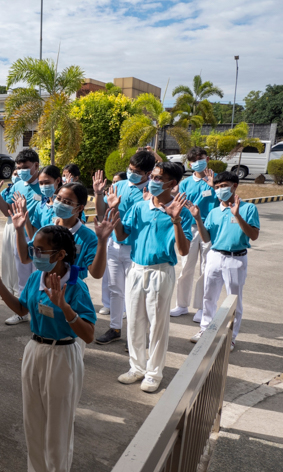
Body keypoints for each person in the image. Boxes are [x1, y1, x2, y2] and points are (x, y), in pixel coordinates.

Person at [0, 226, 95, 472]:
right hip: (35, 349)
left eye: (41, 250)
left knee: (58, 424)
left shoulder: (76, 286)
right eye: (34, 250)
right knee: (33, 419)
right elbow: (21, 309)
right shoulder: (35, 279)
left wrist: (65, 307)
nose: (36, 255)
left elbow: (88, 334)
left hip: (63, 354)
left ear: (61, 254)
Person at [111, 162, 192, 392]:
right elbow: (122, 234)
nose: (153, 181)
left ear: (172, 184)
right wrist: (115, 211)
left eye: (159, 178)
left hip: (160, 271)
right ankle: (137, 367)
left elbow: (183, 250)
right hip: (136, 269)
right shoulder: (139, 207)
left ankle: (154, 373)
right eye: (153, 177)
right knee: (135, 322)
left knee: (157, 325)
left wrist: (175, 219)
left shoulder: (181, 211)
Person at [92, 150, 157, 346]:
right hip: (113, 244)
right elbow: (101, 212)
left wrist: (148, 204)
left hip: (135, 248)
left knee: (136, 294)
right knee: (115, 289)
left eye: (137, 171)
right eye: (130, 169)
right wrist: (98, 193)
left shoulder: (151, 192)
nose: (132, 173)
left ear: (148, 173)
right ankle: (115, 328)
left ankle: (136, 336)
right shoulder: (118, 186)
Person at [190, 171, 259, 352]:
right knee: (209, 295)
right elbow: (206, 238)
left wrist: (237, 215)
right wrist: (198, 218)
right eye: (218, 187)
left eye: (224, 186)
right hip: (215, 256)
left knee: (233, 300)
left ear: (234, 186)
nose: (221, 189)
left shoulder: (248, 209)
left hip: (236, 258)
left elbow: (253, 235)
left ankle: (231, 337)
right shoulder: (214, 212)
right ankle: (204, 329)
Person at [0, 149, 42, 326]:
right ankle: (22, 312)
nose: (21, 171)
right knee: (23, 277)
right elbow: (7, 212)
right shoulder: (18, 185)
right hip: (21, 237)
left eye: (25, 167)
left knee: (41, 277)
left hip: (42, 240)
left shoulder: (44, 185)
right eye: (18, 167)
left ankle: (40, 314)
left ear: (36, 166)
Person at [170, 147, 217, 322]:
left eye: (201, 158)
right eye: (194, 160)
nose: (198, 162)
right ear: (190, 164)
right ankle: (182, 305)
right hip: (189, 228)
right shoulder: (185, 183)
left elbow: (225, 201)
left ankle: (202, 307)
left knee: (206, 269)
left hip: (208, 228)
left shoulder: (216, 179)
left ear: (207, 158)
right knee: (185, 267)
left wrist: (213, 185)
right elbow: (179, 204)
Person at [99, 171, 128, 316]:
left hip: (124, 239)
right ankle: (107, 304)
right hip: (110, 238)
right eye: (114, 181)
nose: (115, 184)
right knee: (108, 276)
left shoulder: (126, 196)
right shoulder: (110, 195)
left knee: (123, 281)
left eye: (118, 182)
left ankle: (123, 308)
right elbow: (100, 213)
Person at [0, 171, 21, 296]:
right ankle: (8, 288)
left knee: (18, 258)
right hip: (9, 224)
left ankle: (18, 290)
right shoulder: (8, 190)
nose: (17, 175)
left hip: (22, 225)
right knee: (8, 256)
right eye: (15, 172)